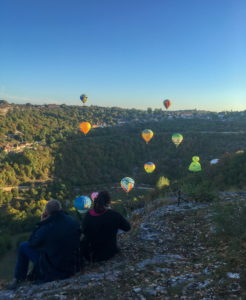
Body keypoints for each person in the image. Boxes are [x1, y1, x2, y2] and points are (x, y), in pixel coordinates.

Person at [9, 199, 81, 289]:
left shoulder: (46, 228)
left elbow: (32, 242)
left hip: (54, 268)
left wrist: (42, 223)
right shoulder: (72, 221)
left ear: (46, 212)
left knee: (23, 246)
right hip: (73, 265)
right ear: (61, 208)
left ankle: (19, 279)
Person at [81, 191, 131, 262]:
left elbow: (84, 231)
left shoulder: (88, 215)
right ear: (108, 202)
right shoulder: (114, 215)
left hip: (91, 254)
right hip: (109, 253)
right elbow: (127, 227)